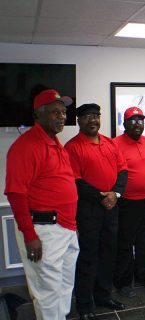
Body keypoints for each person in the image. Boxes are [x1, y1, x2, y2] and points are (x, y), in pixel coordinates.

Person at [4, 89, 78, 320]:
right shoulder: (25, 146)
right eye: (55, 112)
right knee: (46, 291)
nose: (62, 117)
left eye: (64, 112)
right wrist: (29, 235)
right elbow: (16, 194)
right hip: (43, 230)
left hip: (66, 228)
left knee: (64, 285)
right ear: (38, 115)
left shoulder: (55, 143)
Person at [65, 103, 128, 320]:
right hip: (88, 209)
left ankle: (103, 296)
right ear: (79, 121)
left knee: (109, 253)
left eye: (96, 116)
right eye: (87, 116)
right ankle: (84, 304)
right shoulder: (72, 147)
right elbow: (75, 180)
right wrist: (103, 198)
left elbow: (123, 171)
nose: (93, 120)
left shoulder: (110, 143)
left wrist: (115, 195)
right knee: (88, 256)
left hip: (112, 207)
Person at [113, 107, 145, 298]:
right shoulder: (114, 144)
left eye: (140, 120)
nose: (137, 124)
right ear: (124, 124)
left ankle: (143, 275)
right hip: (127, 204)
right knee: (125, 245)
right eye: (132, 120)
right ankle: (124, 282)